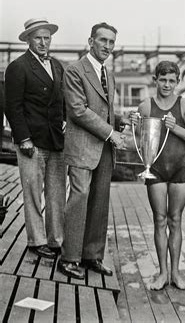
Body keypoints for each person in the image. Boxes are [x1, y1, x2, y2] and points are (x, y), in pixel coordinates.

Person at [58, 22, 130, 279]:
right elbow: (78, 110)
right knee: (78, 201)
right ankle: (69, 258)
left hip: (103, 151)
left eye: (112, 42)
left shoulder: (108, 74)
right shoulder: (75, 70)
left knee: (99, 204)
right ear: (90, 42)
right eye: (103, 41)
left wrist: (120, 119)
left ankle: (92, 256)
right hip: (82, 149)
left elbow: (102, 110)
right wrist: (112, 133)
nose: (108, 47)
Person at [135, 61, 185, 290]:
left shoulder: (184, 105)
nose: (167, 84)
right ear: (155, 79)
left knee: (176, 220)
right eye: (163, 79)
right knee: (159, 220)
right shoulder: (146, 106)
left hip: (180, 168)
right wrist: (133, 126)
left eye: (172, 80)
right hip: (157, 168)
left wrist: (175, 128)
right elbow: (139, 143)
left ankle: (176, 273)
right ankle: (162, 273)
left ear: (178, 82)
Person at [4, 18, 66, 259]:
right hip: (32, 142)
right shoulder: (18, 67)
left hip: (56, 140)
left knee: (56, 193)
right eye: (38, 38)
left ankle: (55, 240)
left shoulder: (58, 66)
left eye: (46, 37)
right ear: (28, 39)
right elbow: (13, 107)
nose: (43, 42)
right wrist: (23, 139)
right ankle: (36, 240)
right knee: (32, 192)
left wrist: (66, 121)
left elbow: (62, 100)